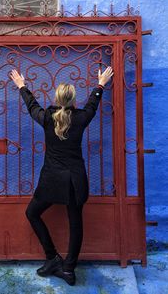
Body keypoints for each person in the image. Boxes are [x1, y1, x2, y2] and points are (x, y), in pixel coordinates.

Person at [10, 66, 114, 286]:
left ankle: (52, 257)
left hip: (52, 180)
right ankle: (68, 269)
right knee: (75, 223)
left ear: (57, 98)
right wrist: (101, 83)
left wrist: (22, 86)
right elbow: (93, 105)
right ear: (73, 99)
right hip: (75, 180)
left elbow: (32, 107)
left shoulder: (48, 117)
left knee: (32, 213)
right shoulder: (81, 117)